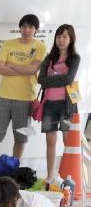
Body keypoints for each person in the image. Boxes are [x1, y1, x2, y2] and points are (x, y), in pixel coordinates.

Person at [0, 14, 46, 162]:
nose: (26, 30)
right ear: (20, 28)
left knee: (21, 138)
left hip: (26, 99)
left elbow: (33, 70)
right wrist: (24, 68)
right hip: (2, 96)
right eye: (24, 26)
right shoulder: (8, 44)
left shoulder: (40, 46)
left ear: (36, 29)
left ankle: (14, 169)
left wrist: (11, 65)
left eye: (30, 27)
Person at [38, 24, 81, 182]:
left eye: (64, 37)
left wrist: (49, 81)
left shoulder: (74, 58)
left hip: (66, 105)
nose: (61, 40)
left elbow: (68, 79)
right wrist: (54, 80)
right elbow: (40, 80)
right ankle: (50, 175)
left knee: (67, 141)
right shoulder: (49, 58)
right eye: (58, 36)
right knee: (50, 140)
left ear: (71, 39)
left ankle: (68, 175)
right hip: (49, 104)